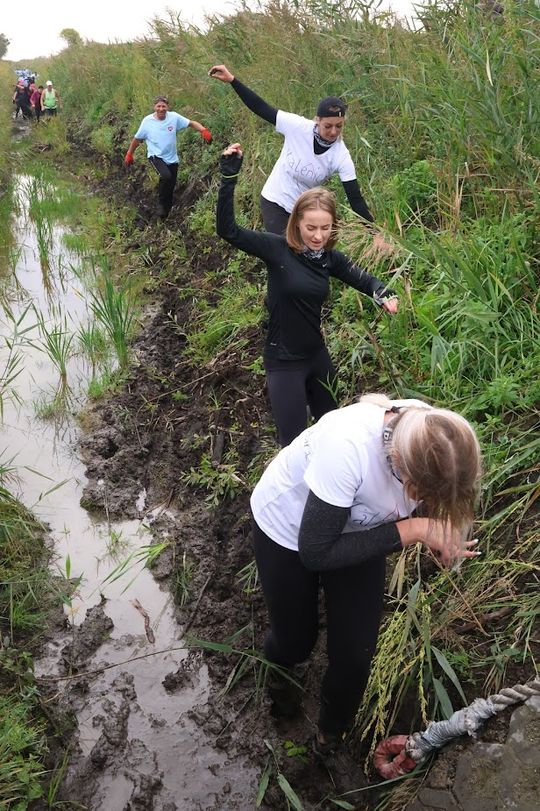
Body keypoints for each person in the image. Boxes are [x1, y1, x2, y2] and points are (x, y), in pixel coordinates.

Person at [250, 393, 482, 754]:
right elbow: (316, 552)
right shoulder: (348, 448)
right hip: (289, 530)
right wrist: (417, 530)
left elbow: (439, 495)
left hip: (363, 527)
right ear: (407, 474)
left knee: (355, 656)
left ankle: (330, 736)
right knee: (295, 640)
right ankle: (281, 684)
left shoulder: (436, 435)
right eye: (424, 497)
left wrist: (439, 532)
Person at [217, 144, 398, 446]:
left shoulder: (329, 259)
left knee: (331, 437)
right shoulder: (277, 249)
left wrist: (383, 291)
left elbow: (364, 279)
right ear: (297, 223)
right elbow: (229, 231)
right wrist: (228, 179)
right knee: (294, 446)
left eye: (325, 228)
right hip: (283, 363)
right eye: (311, 227)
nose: (318, 235)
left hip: (317, 358)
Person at [209, 63, 391, 254]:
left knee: (308, 257)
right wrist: (233, 81)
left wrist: (375, 233)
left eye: (339, 126)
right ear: (317, 120)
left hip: (302, 211)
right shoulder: (297, 127)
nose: (333, 131)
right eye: (328, 125)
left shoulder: (340, 155)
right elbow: (261, 108)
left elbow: (355, 198)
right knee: (284, 253)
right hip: (275, 200)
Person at [124, 95, 213, 221]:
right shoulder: (147, 122)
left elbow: (191, 123)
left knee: (171, 185)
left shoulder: (174, 117)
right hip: (155, 156)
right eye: (158, 106)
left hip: (172, 158)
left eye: (163, 106)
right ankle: (161, 205)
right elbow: (137, 139)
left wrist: (203, 130)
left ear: (168, 107)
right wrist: (129, 154)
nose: (161, 109)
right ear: (154, 107)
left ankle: (166, 212)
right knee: (165, 176)